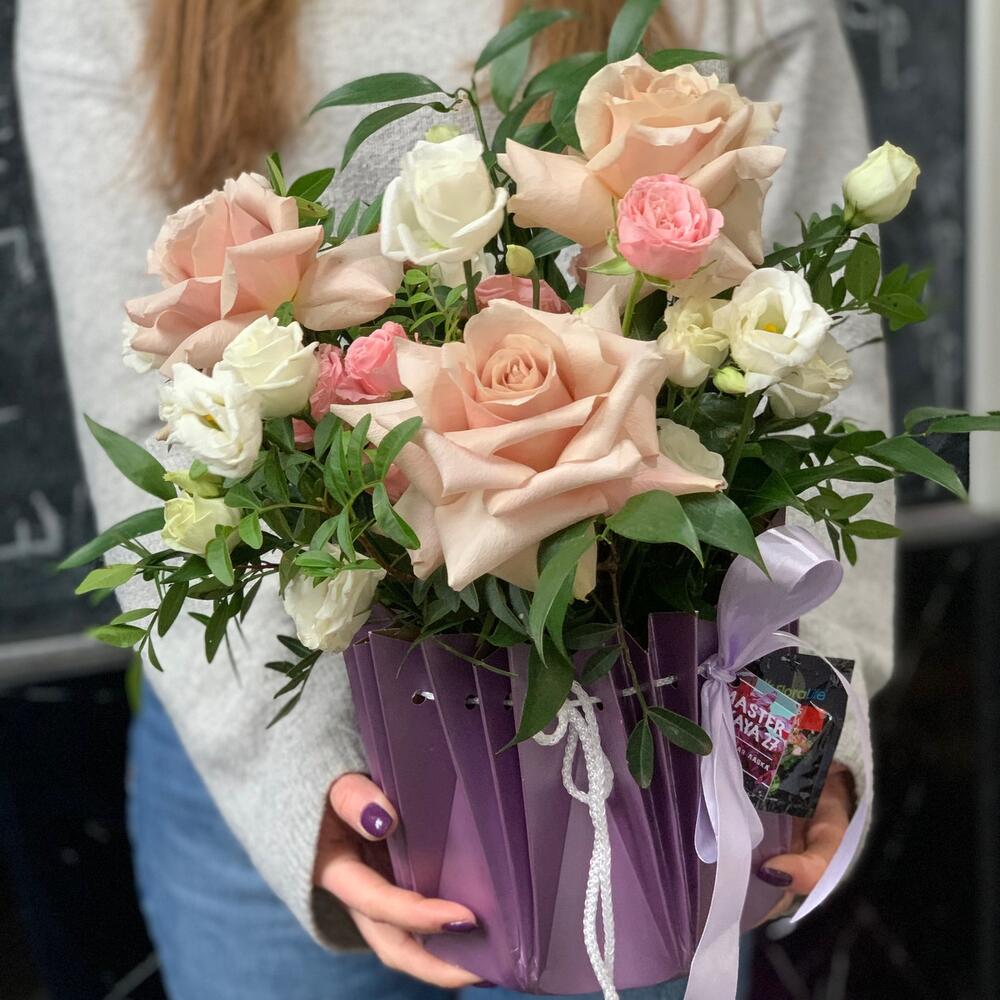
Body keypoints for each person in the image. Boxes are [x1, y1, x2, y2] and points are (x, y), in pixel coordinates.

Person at [16, 0, 892, 996]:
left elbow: (814, 369)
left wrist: (801, 745)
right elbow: (151, 415)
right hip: (269, 770)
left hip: (642, 760)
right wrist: (299, 779)